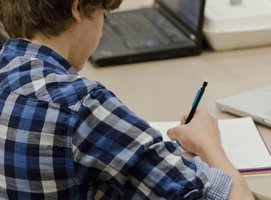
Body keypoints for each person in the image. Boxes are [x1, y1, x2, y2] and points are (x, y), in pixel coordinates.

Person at [0, 0, 254, 199]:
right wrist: (210, 145)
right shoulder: (82, 107)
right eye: (104, 15)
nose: (101, 32)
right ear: (78, 8)